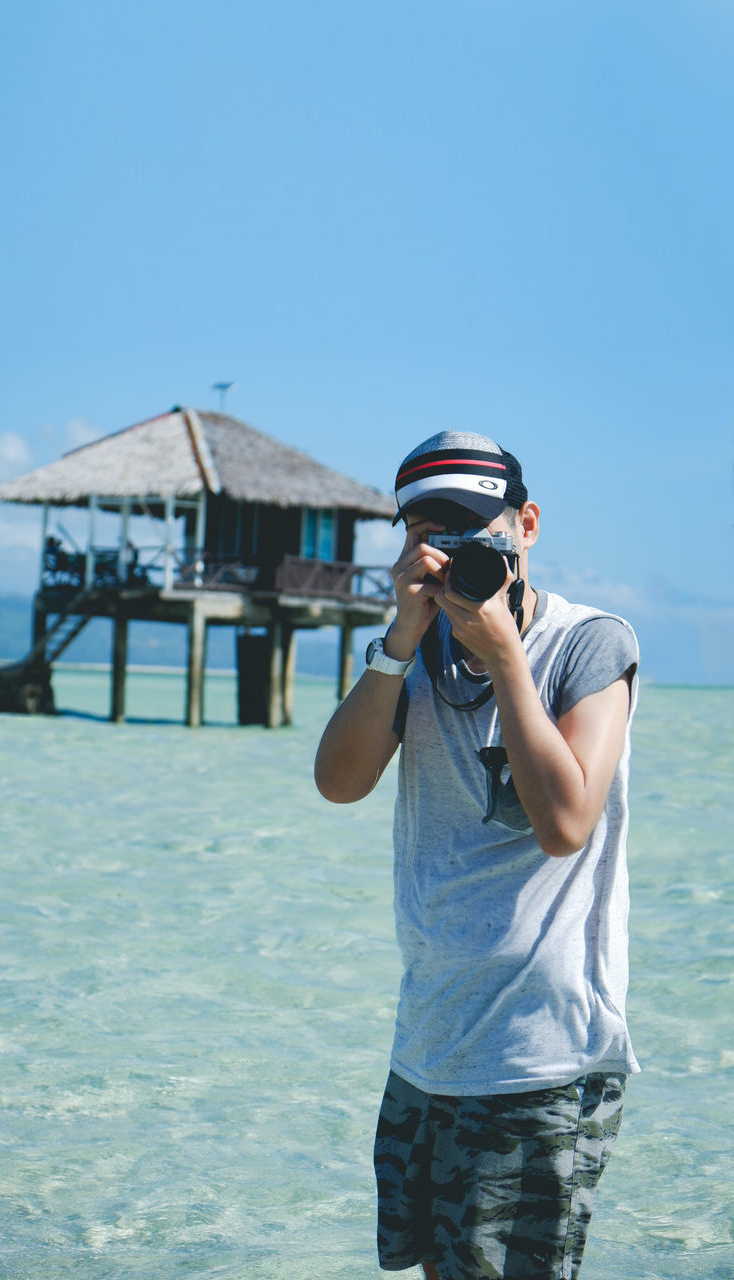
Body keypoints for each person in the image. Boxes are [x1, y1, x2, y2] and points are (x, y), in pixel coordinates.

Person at [314, 431, 640, 1280]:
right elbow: (338, 784)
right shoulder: (409, 654)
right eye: (427, 530)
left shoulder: (588, 645)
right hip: (428, 1042)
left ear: (525, 526)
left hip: (541, 1055)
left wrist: (503, 662)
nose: (450, 550)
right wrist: (397, 637)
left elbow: (565, 822)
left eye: (470, 528)